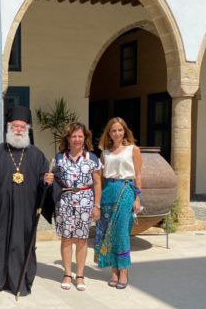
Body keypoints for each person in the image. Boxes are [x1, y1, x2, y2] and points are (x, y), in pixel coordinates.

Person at [0, 106, 53, 295]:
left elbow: (43, 182)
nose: (18, 129)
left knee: (22, 244)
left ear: (27, 129)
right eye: (15, 126)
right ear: (9, 127)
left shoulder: (36, 154)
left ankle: (21, 281)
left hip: (26, 212)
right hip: (0, 212)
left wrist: (46, 181)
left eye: (22, 126)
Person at [52, 122, 101, 292]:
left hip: (85, 201)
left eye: (80, 136)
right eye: (74, 136)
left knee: (81, 240)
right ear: (68, 138)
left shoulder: (92, 158)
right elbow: (54, 178)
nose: (77, 139)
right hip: (65, 201)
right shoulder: (59, 158)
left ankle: (79, 275)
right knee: (66, 238)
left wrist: (97, 205)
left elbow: (97, 183)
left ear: (85, 138)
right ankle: (67, 274)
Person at [94, 117, 142, 290]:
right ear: (109, 133)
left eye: (120, 130)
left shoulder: (133, 150)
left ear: (125, 131)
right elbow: (100, 178)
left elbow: (138, 175)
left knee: (121, 232)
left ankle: (123, 271)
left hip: (125, 191)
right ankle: (113, 270)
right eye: (113, 130)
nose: (117, 133)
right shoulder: (104, 153)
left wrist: (137, 197)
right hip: (108, 192)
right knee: (108, 232)